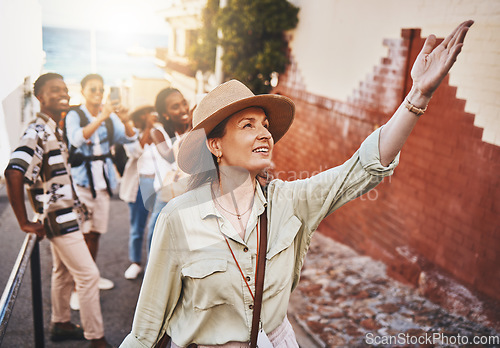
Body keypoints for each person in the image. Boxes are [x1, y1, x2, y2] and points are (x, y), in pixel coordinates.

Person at [121, 20, 473, 347]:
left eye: (264, 125)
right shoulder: (178, 218)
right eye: (247, 125)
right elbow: (147, 326)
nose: (264, 133)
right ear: (215, 146)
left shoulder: (289, 201)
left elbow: (361, 169)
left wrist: (418, 97)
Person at [4, 73, 112, 348]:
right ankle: (96, 339)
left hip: (66, 216)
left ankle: (61, 323)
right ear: (40, 97)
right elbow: (14, 172)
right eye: (54, 90)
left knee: (62, 272)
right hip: (59, 219)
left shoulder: (54, 129)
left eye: (65, 89)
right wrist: (25, 222)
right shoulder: (37, 131)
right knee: (88, 276)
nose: (63, 94)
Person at [65, 73, 137, 292]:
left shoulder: (110, 116)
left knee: (95, 233)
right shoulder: (75, 114)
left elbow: (130, 139)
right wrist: (101, 117)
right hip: (82, 184)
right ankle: (80, 286)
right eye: (92, 89)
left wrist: (125, 120)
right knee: (82, 235)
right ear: (83, 91)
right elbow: (76, 139)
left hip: (103, 184)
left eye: (100, 89)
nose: (97, 93)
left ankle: (90, 278)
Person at [146, 88, 192, 252]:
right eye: (175, 107)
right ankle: (151, 272)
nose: (183, 109)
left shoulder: (194, 129)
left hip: (190, 191)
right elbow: (170, 156)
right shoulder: (158, 132)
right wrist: (193, 128)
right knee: (156, 234)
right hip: (168, 192)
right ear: (165, 114)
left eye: (183, 103)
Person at [119, 106, 158, 279]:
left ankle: (154, 265)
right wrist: (148, 128)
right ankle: (135, 262)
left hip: (160, 184)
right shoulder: (132, 133)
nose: (149, 115)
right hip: (140, 184)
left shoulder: (161, 132)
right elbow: (137, 151)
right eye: (145, 113)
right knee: (137, 226)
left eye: (150, 111)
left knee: (157, 227)